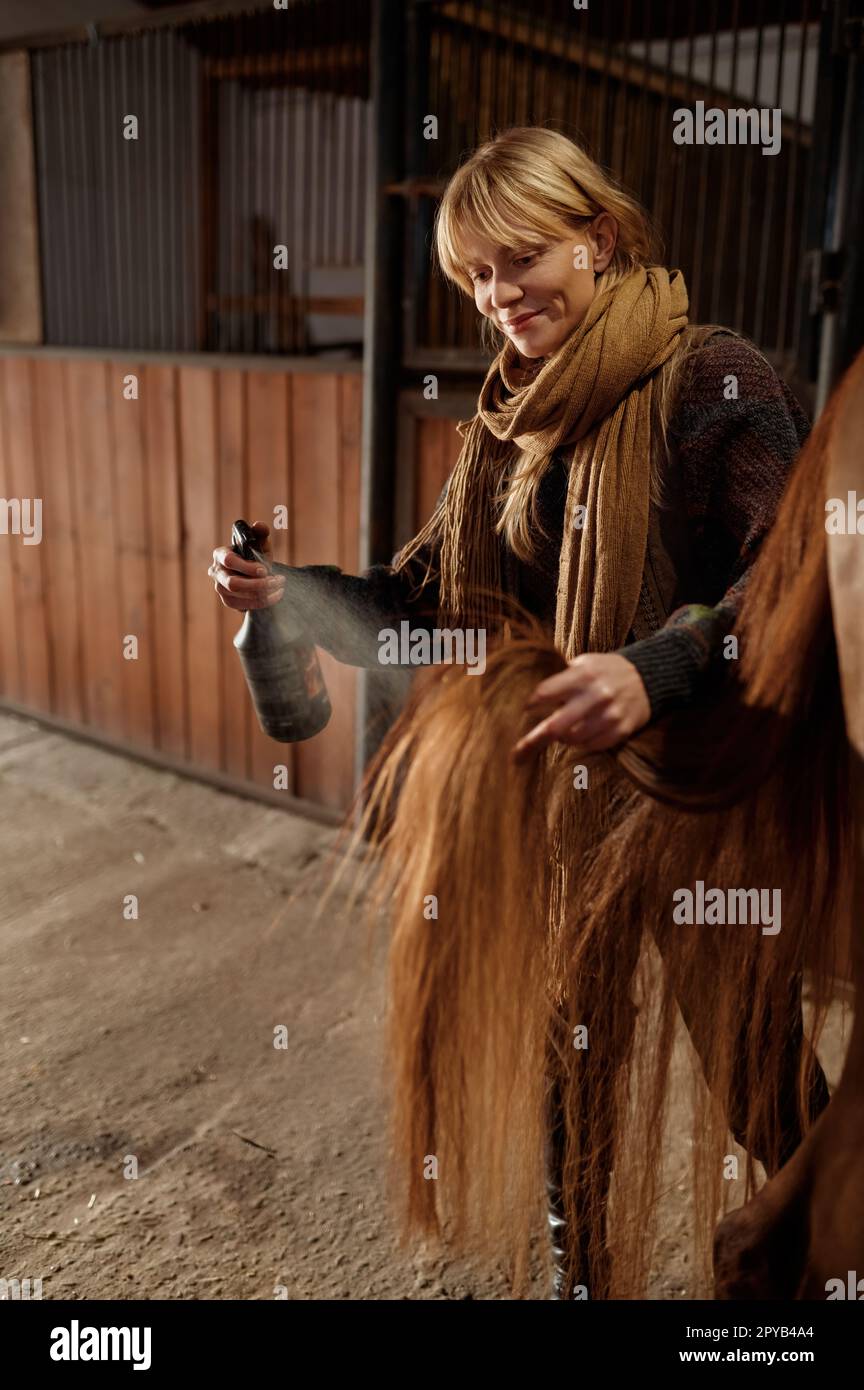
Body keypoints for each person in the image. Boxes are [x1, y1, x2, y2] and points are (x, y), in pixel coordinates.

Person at [208, 126, 828, 1292]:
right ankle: (582, 1278)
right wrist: (292, 594)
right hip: (561, 806)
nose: (499, 296)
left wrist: (659, 663)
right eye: (476, 275)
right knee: (570, 1083)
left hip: (700, 798)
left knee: (763, 1084)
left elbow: (792, 579)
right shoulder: (507, 425)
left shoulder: (713, 381)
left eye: (521, 258)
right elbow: (420, 600)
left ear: (597, 238)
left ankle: (833, 1241)